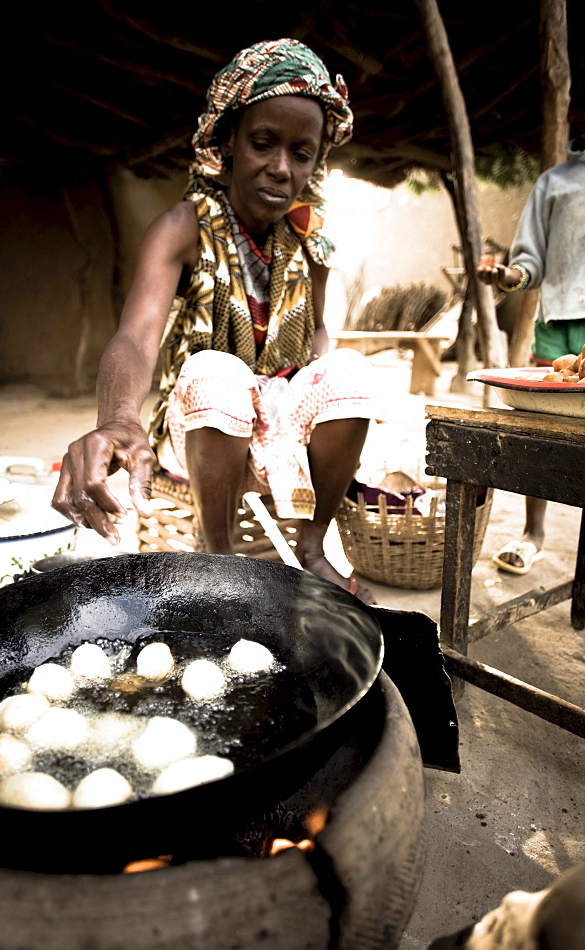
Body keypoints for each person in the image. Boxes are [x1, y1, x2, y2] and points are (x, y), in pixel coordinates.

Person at [52, 38, 376, 600]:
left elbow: (322, 331)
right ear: (226, 142)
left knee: (349, 370)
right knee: (218, 372)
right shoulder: (184, 227)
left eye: (301, 153)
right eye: (262, 143)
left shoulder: (311, 242)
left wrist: (308, 390)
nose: (280, 168)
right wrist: (119, 418)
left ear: (317, 161)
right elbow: (135, 335)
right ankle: (219, 556)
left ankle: (311, 543)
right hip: (202, 429)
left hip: (282, 430)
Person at [477, 110, 585, 574]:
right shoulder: (555, 183)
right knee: (545, 432)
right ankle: (532, 534)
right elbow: (531, 261)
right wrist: (510, 275)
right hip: (559, 319)